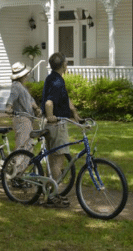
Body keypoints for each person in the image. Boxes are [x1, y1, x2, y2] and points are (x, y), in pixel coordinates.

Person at [42, 52, 82, 208]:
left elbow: (65, 98)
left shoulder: (53, 78)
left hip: (55, 124)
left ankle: (49, 191)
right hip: (57, 125)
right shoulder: (58, 82)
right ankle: (52, 196)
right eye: (66, 63)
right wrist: (51, 116)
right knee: (57, 161)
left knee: (53, 160)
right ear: (64, 65)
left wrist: (74, 113)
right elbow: (49, 102)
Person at [5, 61, 41, 152]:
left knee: (28, 147)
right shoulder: (16, 86)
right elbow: (12, 97)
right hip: (22, 120)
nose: (27, 76)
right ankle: (16, 166)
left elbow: (31, 100)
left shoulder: (22, 87)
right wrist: (9, 107)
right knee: (23, 148)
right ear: (21, 76)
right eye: (25, 74)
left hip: (28, 120)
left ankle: (18, 165)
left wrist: (36, 108)